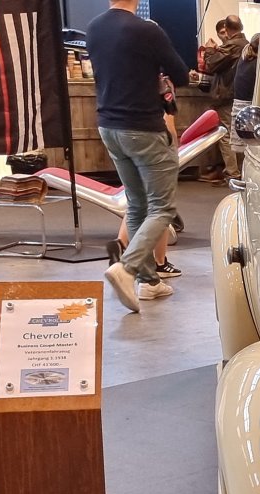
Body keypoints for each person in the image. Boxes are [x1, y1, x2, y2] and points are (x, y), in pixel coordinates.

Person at [88, 0, 191, 312]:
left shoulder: (94, 28)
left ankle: (149, 282)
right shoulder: (147, 30)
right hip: (143, 128)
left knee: (136, 205)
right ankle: (127, 268)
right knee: (162, 207)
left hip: (109, 127)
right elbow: (181, 75)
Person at [107, 75, 181, 279]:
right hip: (152, 141)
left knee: (137, 204)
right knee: (160, 208)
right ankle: (158, 262)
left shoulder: (124, 80)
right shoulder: (161, 82)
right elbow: (168, 121)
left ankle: (121, 244)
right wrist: (173, 149)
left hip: (118, 134)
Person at [200, 15, 247, 183]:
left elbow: (211, 64)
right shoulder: (246, 45)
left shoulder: (232, 46)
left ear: (226, 29)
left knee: (227, 135)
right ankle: (241, 170)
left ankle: (233, 173)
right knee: (240, 135)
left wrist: (209, 50)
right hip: (240, 95)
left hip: (226, 96)